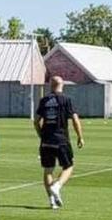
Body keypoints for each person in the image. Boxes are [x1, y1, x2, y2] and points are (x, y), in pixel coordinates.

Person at [35, 76, 84, 209]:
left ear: (51, 85)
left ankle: (51, 201)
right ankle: (57, 186)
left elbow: (36, 121)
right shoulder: (66, 100)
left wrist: (42, 135)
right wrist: (80, 136)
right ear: (62, 85)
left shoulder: (44, 100)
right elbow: (74, 119)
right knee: (68, 167)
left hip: (46, 141)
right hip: (61, 139)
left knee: (48, 170)